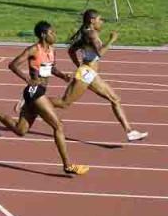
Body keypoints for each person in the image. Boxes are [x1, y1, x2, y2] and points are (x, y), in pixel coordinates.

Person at [0, 21, 90, 176]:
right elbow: (13, 65)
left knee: (20, 130)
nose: (55, 35)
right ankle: (67, 165)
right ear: (43, 35)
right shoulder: (34, 49)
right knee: (58, 126)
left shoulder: (52, 50)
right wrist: (28, 80)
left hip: (37, 92)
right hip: (34, 91)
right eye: (52, 32)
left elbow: (51, 68)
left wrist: (62, 76)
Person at [51, 9, 148, 142]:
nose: (102, 22)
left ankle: (130, 131)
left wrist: (79, 65)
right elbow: (100, 53)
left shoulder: (87, 33)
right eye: (100, 19)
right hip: (87, 73)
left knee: (114, 99)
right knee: (64, 103)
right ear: (92, 21)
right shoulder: (91, 34)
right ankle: (33, 101)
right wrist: (111, 40)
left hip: (88, 72)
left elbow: (71, 50)